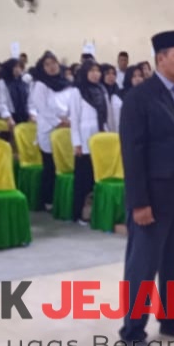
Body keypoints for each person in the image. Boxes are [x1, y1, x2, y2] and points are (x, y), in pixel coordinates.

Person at [118, 30, 174, 346]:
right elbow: (132, 154)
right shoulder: (140, 98)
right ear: (161, 59)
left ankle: (172, 320)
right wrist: (139, 202)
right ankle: (132, 330)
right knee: (142, 267)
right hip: (153, 198)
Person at [31, 51, 74, 211]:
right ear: (42, 68)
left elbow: (73, 104)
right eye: (47, 64)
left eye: (54, 63)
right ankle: (47, 200)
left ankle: (62, 199)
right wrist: (58, 122)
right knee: (50, 165)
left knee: (64, 164)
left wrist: (69, 120)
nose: (51, 67)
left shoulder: (68, 84)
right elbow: (42, 107)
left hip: (66, 127)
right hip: (48, 128)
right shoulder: (40, 85)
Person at [70, 60, 110, 224]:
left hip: (101, 137)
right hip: (84, 140)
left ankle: (95, 212)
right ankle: (80, 213)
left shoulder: (102, 90)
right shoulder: (77, 91)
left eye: (97, 71)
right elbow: (74, 119)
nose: (95, 74)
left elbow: (108, 116)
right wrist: (77, 143)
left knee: (97, 177)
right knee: (84, 179)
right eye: (92, 71)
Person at [0, 58, 37, 125]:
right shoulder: (2, 83)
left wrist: (32, 114)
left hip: (25, 116)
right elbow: (2, 103)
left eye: (20, 67)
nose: (18, 69)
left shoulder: (25, 82)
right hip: (10, 118)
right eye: (15, 67)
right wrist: (8, 117)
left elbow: (30, 100)